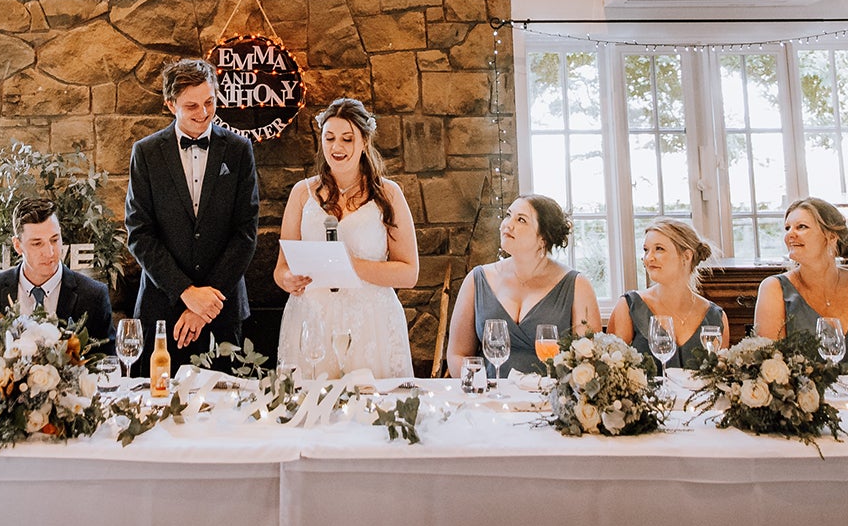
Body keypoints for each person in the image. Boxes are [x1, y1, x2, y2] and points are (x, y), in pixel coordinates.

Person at [125, 57, 260, 361]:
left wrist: (204, 306)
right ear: (171, 104)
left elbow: (246, 233)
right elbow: (139, 233)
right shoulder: (146, 153)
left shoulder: (239, 150)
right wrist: (186, 292)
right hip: (162, 309)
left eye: (209, 102)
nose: (203, 113)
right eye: (191, 106)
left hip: (222, 310)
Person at [273, 98, 419, 378]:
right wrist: (287, 280)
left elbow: (409, 273)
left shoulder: (388, 195)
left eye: (347, 139)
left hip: (371, 321)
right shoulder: (302, 193)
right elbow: (281, 268)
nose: (336, 147)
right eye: (329, 138)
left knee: (374, 413)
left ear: (364, 141)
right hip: (312, 319)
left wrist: (349, 264)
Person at [447, 194, 600, 378]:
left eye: (521, 220)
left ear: (543, 238)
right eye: (508, 215)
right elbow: (457, 355)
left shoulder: (577, 285)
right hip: (490, 399)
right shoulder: (477, 279)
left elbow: (588, 363)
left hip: (549, 401)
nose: (507, 225)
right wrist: (481, 388)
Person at [753, 196, 848, 376]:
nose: (790, 234)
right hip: (807, 402)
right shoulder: (774, 289)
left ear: (831, 236)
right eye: (787, 228)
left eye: (801, 227)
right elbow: (769, 369)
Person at [0, 196, 113, 351]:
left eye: (54, 240)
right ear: (17, 245)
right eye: (37, 243)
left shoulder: (94, 296)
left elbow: (109, 365)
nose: (49, 252)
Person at [606, 218, 728, 370]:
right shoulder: (629, 306)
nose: (648, 258)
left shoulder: (716, 318)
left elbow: (719, 381)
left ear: (687, 256)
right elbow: (612, 375)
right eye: (646, 250)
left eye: (659, 249)